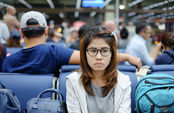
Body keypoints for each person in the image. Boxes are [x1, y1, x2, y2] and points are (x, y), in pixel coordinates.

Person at [2, 11, 141, 74]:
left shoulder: (8, 62)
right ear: (46, 31)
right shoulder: (54, 52)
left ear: (21, 33)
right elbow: (97, 58)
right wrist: (127, 57)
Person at [66, 26, 131, 113]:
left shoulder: (124, 82)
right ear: (84, 54)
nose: (99, 57)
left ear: (112, 54)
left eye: (104, 51)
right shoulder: (73, 81)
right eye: (93, 51)